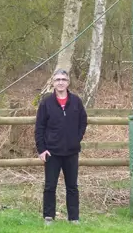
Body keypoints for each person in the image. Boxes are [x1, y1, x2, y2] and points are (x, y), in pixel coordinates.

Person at [34, 68, 88, 226]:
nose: (60, 82)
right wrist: (42, 149)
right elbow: (39, 128)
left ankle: (74, 218)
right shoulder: (46, 103)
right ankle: (48, 217)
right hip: (52, 152)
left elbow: (83, 122)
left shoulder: (76, 101)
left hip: (71, 152)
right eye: (57, 80)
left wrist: (76, 138)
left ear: (68, 82)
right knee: (50, 186)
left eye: (63, 80)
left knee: (72, 186)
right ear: (53, 82)